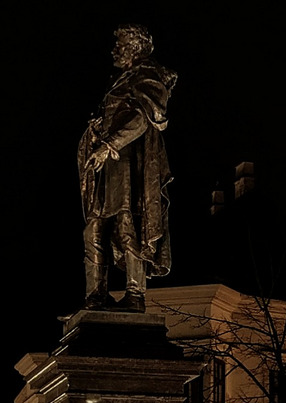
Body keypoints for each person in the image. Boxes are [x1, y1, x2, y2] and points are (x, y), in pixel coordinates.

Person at [79, 24, 178, 312]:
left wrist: (108, 144)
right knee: (94, 228)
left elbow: (144, 117)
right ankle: (95, 295)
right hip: (106, 165)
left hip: (129, 164)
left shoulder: (151, 74)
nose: (115, 50)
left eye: (120, 44)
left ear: (136, 47)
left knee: (128, 222)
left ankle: (135, 294)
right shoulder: (122, 79)